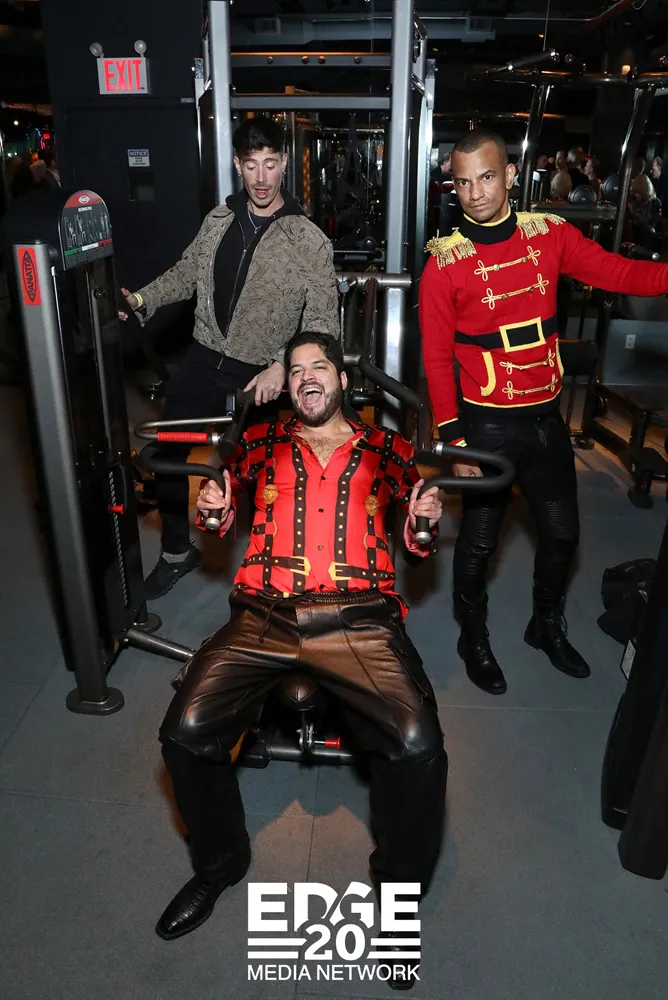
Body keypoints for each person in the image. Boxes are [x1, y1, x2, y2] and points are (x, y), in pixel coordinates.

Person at [155, 331, 447, 989]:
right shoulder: (259, 443)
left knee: (419, 748)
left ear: (343, 380)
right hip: (264, 614)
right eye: (296, 371)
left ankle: (396, 897)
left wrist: (424, 519)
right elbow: (218, 515)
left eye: (320, 366)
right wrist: (211, 508)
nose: (308, 377)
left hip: (358, 617)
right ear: (287, 386)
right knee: (184, 732)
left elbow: (418, 537)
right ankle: (219, 864)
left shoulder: (388, 448)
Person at [418, 128, 668, 696]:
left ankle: (545, 625)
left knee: (562, 536)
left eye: (487, 177)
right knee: (479, 542)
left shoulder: (549, 235)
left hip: (545, 418)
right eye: (464, 183)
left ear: (510, 175)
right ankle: (473, 636)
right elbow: (435, 358)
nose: (476, 193)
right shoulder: (445, 264)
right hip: (486, 426)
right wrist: (455, 444)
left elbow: (617, 272)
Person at [119, 117, 338, 599]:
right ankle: (176, 552)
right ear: (238, 165)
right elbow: (186, 273)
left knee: (264, 474)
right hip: (203, 357)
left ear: (284, 163)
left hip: (259, 372)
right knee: (168, 455)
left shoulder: (307, 240)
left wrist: (282, 364)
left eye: (270, 164)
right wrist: (141, 300)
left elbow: (323, 324)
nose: (261, 178)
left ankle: (271, 568)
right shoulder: (218, 220)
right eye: (251, 165)